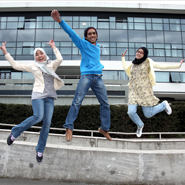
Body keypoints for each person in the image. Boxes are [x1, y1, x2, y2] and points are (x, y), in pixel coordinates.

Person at [51, 9, 112, 142]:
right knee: (77, 101)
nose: (92, 35)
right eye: (90, 33)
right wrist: (60, 21)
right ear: (86, 36)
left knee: (105, 104)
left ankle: (104, 128)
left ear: (96, 35)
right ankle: (68, 127)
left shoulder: (98, 46)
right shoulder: (83, 44)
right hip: (87, 77)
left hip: (98, 77)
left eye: (94, 33)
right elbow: (71, 34)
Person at [0, 39, 64, 162]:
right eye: (37, 54)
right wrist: (6, 53)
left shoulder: (51, 65)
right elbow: (16, 66)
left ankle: (40, 149)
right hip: (38, 94)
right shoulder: (33, 66)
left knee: (47, 124)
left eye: (41, 53)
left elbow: (60, 59)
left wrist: (54, 47)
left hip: (50, 97)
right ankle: (15, 132)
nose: (39, 56)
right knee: (38, 116)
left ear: (45, 54)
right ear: (35, 57)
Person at [122, 47, 184, 137]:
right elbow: (125, 68)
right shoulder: (133, 64)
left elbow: (161, 66)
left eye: (141, 52)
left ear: (145, 55)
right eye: (138, 51)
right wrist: (123, 58)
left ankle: (164, 105)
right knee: (131, 112)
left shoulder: (148, 62)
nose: (138, 53)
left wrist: (178, 66)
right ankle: (140, 125)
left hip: (145, 91)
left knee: (148, 114)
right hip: (134, 92)